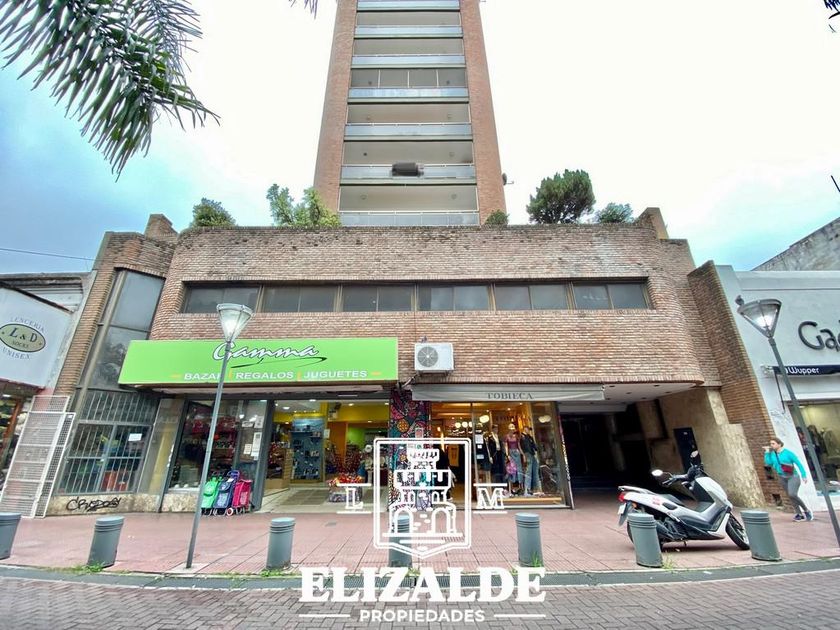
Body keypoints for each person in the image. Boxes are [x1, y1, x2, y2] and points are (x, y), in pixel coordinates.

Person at [764, 437, 813, 522]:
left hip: (792, 476)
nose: (771, 445)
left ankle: (806, 510)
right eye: (771, 444)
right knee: (790, 496)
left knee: (792, 494)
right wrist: (767, 453)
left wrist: (804, 475)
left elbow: (799, 464)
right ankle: (799, 514)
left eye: (773, 444)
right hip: (781, 476)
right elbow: (768, 463)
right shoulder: (772, 454)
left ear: (779, 444)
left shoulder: (788, 453)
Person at [519, 426, 541, 496]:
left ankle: (536, 488)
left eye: (529, 430)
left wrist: (536, 450)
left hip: (532, 454)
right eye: (528, 429)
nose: (529, 431)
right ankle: (527, 489)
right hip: (528, 454)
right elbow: (524, 446)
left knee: (535, 470)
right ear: (525, 429)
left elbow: (534, 445)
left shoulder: (530, 437)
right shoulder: (522, 437)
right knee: (529, 471)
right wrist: (524, 455)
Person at [503, 423, 523, 492]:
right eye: (511, 429)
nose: (512, 430)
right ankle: (511, 487)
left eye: (513, 429)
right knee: (512, 469)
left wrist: (522, 454)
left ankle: (520, 486)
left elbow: (519, 445)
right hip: (511, 453)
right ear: (509, 429)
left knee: (519, 469)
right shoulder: (506, 436)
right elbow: (506, 446)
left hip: (517, 452)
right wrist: (507, 455)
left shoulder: (516, 436)